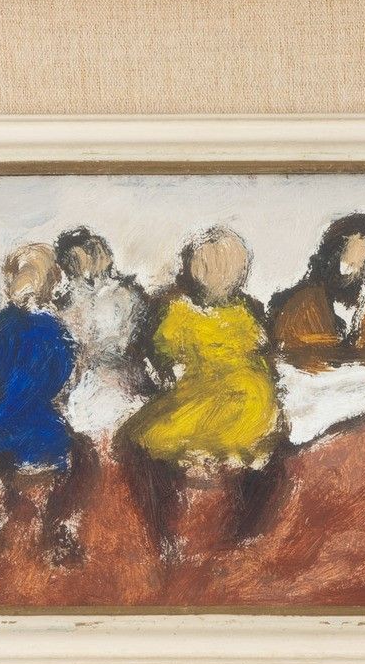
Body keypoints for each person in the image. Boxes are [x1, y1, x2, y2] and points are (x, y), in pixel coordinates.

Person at [118, 227, 283, 548]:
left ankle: (163, 532)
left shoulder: (177, 309)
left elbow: (165, 360)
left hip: (209, 402)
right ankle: (248, 530)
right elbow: (262, 355)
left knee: (139, 441)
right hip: (248, 402)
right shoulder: (246, 310)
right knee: (272, 449)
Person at [0, 244, 81, 557]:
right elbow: (61, 382)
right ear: (50, 285)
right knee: (78, 457)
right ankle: (53, 526)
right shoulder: (54, 331)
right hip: (41, 432)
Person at [267, 214, 365, 444]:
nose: (351, 269)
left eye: (361, 261)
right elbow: (290, 364)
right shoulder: (299, 305)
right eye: (345, 260)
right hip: (317, 420)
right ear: (329, 259)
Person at [52, 227, 154, 446]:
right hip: (85, 377)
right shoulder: (67, 303)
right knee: (81, 416)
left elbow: (131, 344)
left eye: (89, 256)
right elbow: (73, 351)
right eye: (74, 262)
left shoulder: (126, 294)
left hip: (123, 375)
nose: (84, 267)